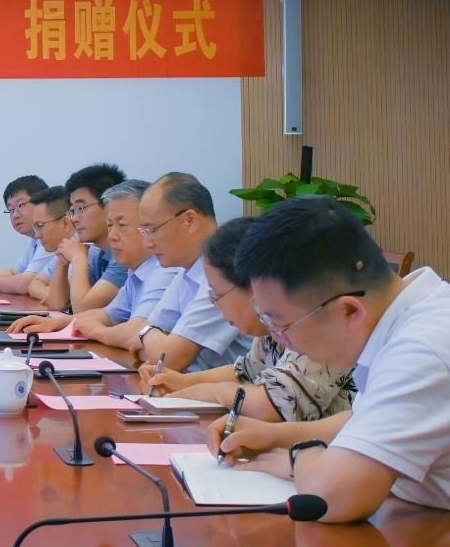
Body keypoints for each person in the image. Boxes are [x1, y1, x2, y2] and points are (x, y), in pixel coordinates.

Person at [208, 197, 450, 522]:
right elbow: (365, 418)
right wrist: (273, 435)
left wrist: (299, 456)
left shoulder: (422, 348)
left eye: (281, 325)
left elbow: (333, 497)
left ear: (349, 310)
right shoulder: (406, 314)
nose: (279, 340)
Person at [140, 216, 354, 421]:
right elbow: (245, 373)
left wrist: (196, 392)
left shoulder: (316, 320)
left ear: (254, 285)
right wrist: (180, 382)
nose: (216, 305)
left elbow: (274, 405)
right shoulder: (269, 325)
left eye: (218, 295)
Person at [12, 179, 179, 350]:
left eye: (122, 225)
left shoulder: (164, 270)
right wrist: (57, 323)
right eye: (110, 225)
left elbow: (135, 332)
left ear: (148, 226)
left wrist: (99, 332)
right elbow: (108, 315)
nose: (112, 235)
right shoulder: (136, 270)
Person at [131, 172, 251, 372]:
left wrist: (147, 334)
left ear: (190, 220)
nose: (147, 243)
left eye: (152, 230)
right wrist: (150, 337)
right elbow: (138, 344)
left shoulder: (223, 272)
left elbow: (166, 360)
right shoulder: (186, 271)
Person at [43, 163, 130, 312]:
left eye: (81, 208)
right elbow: (57, 304)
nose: (74, 218)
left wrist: (78, 258)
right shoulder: (99, 255)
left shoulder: (124, 257)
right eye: (72, 210)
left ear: (109, 205)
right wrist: (62, 263)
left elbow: (81, 309)